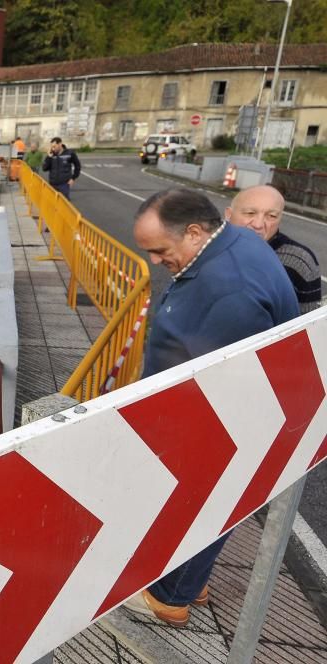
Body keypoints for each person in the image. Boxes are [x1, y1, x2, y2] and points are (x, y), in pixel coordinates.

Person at [124, 188, 299, 627]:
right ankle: (190, 581)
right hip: (220, 414)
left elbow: (216, 397)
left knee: (200, 498)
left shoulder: (228, 292)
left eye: (161, 251)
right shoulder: (231, 242)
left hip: (216, 424)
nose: (155, 262)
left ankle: (170, 597)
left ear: (195, 232)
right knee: (210, 499)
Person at [226, 184, 321, 314]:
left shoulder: (299, 260)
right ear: (228, 214)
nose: (258, 224)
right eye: (250, 213)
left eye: (271, 216)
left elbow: (309, 324)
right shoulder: (205, 247)